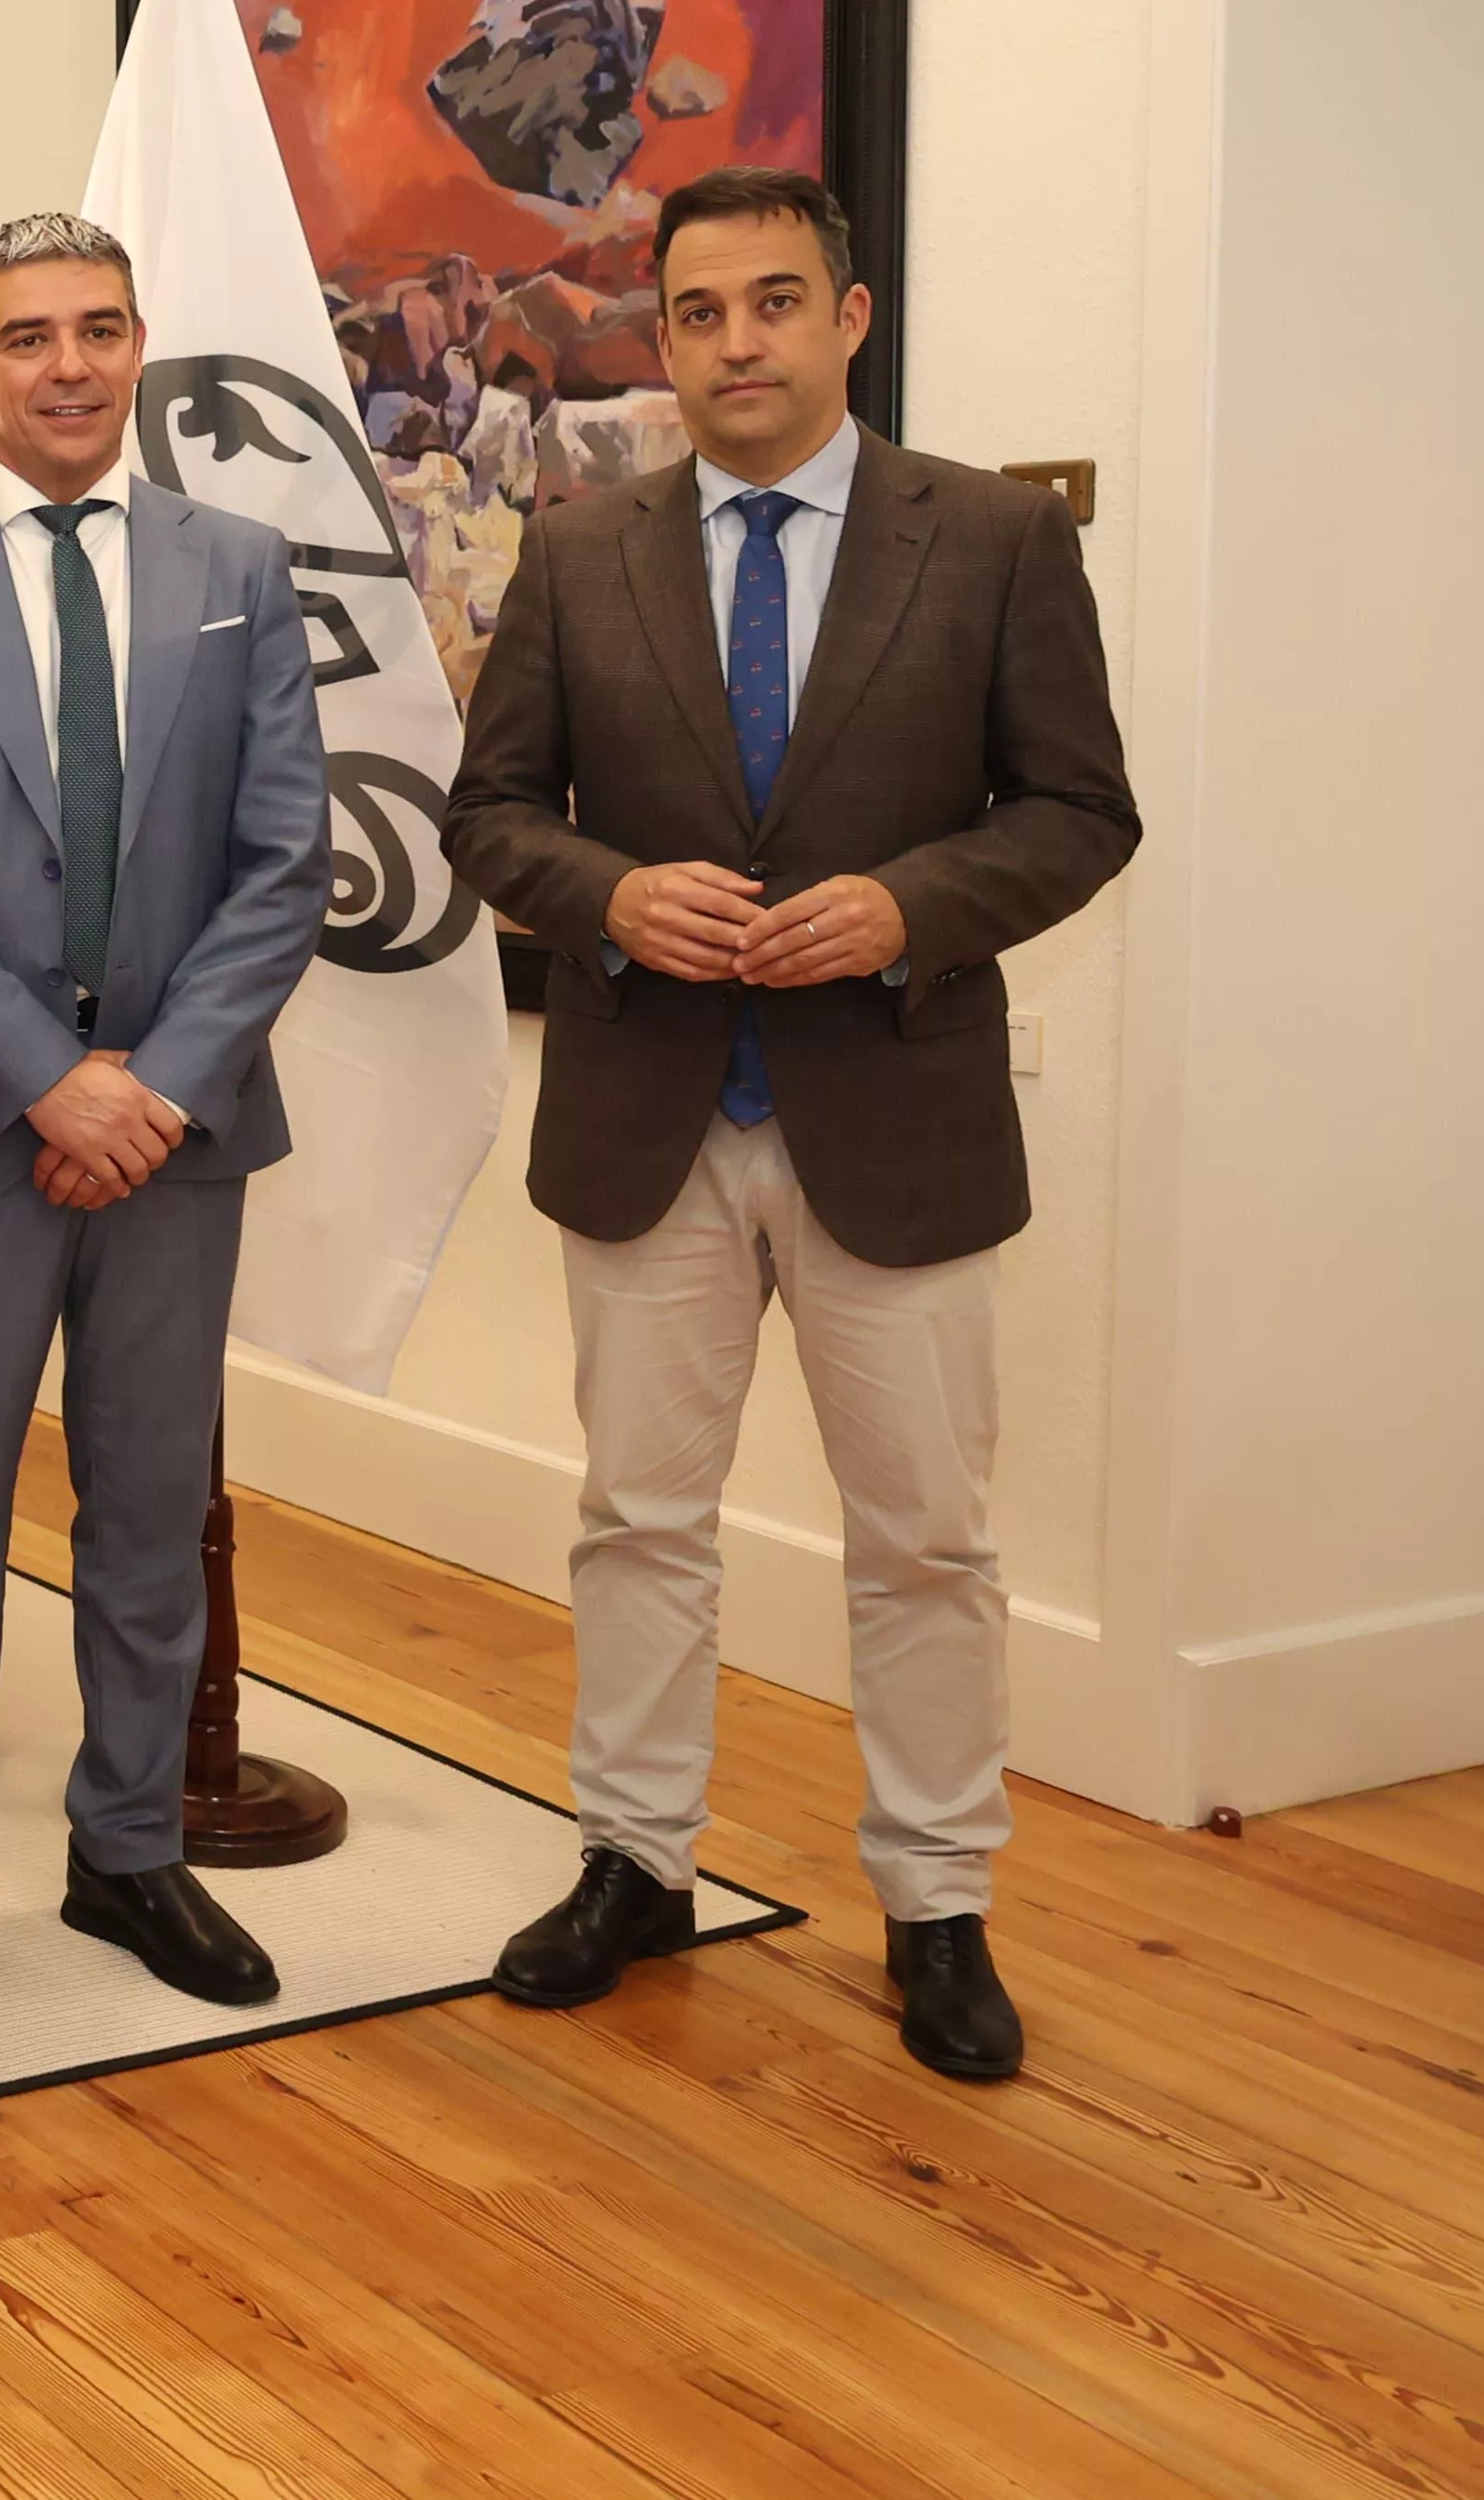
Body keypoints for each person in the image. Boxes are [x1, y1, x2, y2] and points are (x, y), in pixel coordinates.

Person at [446, 165, 1137, 2081]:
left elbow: (1079, 810)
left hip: (890, 1119)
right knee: (637, 1518)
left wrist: (914, 905)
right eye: (695, 310)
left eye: (770, 302)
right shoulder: (579, 547)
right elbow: (489, 812)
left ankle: (935, 1900)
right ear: (659, 337)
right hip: (641, 1115)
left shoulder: (991, 538)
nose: (733, 340)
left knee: (924, 1539)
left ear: (848, 317)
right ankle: (633, 1860)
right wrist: (604, 895)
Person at [0, 211, 328, 2024]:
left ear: (138, 345)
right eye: (27, 336)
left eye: (99, 329)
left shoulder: (237, 566)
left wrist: (151, 1089)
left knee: (147, 1500)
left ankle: (128, 1847)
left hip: (175, 1139)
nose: (68, 365)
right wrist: (45, 1074)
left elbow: (285, 862)